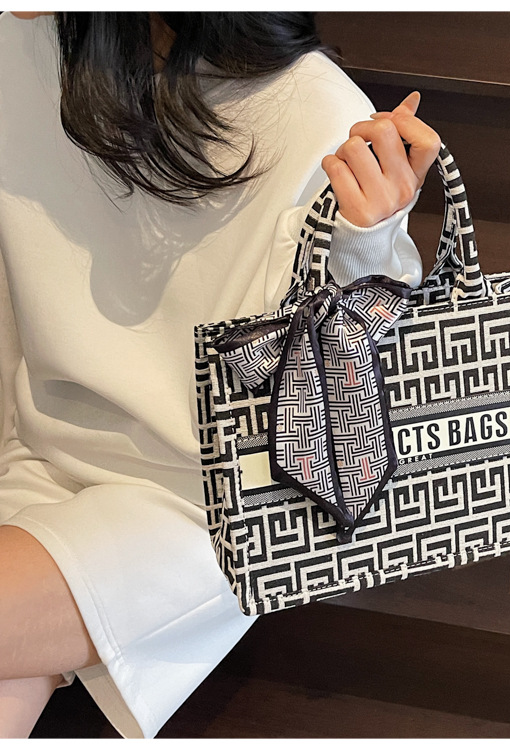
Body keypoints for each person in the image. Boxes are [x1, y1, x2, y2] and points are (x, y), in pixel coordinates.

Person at [0, 11, 441, 739]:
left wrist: (370, 240)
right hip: (49, 447)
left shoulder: (315, 110)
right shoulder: (23, 46)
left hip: (208, 507)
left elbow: (352, 380)